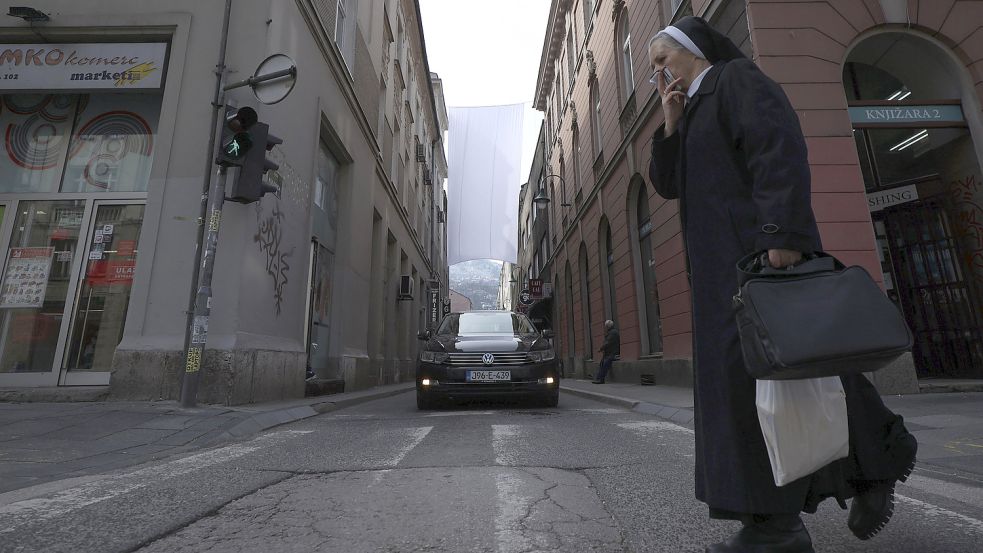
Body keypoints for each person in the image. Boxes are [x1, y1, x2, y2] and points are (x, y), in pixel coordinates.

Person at [647, 16, 917, 553]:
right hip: (723, 272)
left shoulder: (736, 80)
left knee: (791, 372)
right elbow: (668, 184)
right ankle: (850, 477)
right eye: (652, 64)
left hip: (759, 258)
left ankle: (785, 521)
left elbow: (780, 150)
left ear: (694, 51)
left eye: (662, 58)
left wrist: (782, 235)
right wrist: (671, 122)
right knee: (773, 383)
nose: (657, 70)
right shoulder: (693, 106)